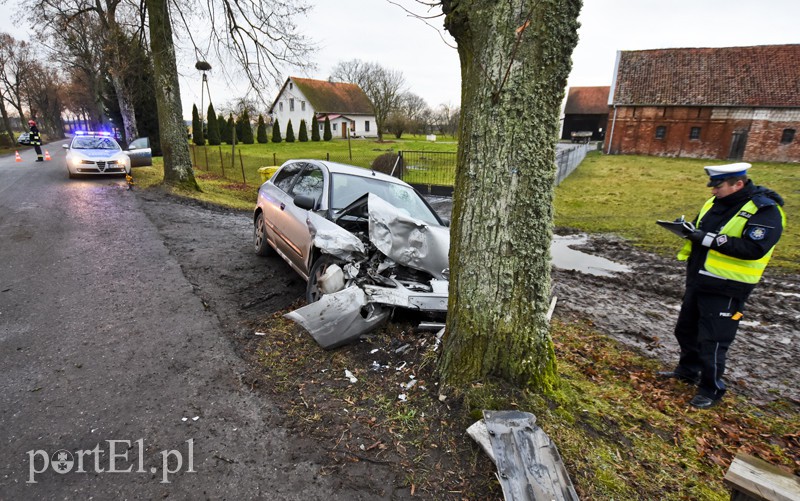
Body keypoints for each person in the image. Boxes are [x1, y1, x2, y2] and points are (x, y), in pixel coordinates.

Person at [659, 162, 786, 409]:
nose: (713, 191)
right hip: (700, 279)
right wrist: (687, 230)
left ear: (738, 184)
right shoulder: (715, 203)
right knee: (686, 329)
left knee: (713, 341)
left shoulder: (765, 211)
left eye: (718, 186)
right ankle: (687, 371)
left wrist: (706, 239)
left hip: (728, 287)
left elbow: (754, 248)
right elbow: (702, 230)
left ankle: (711, 389)